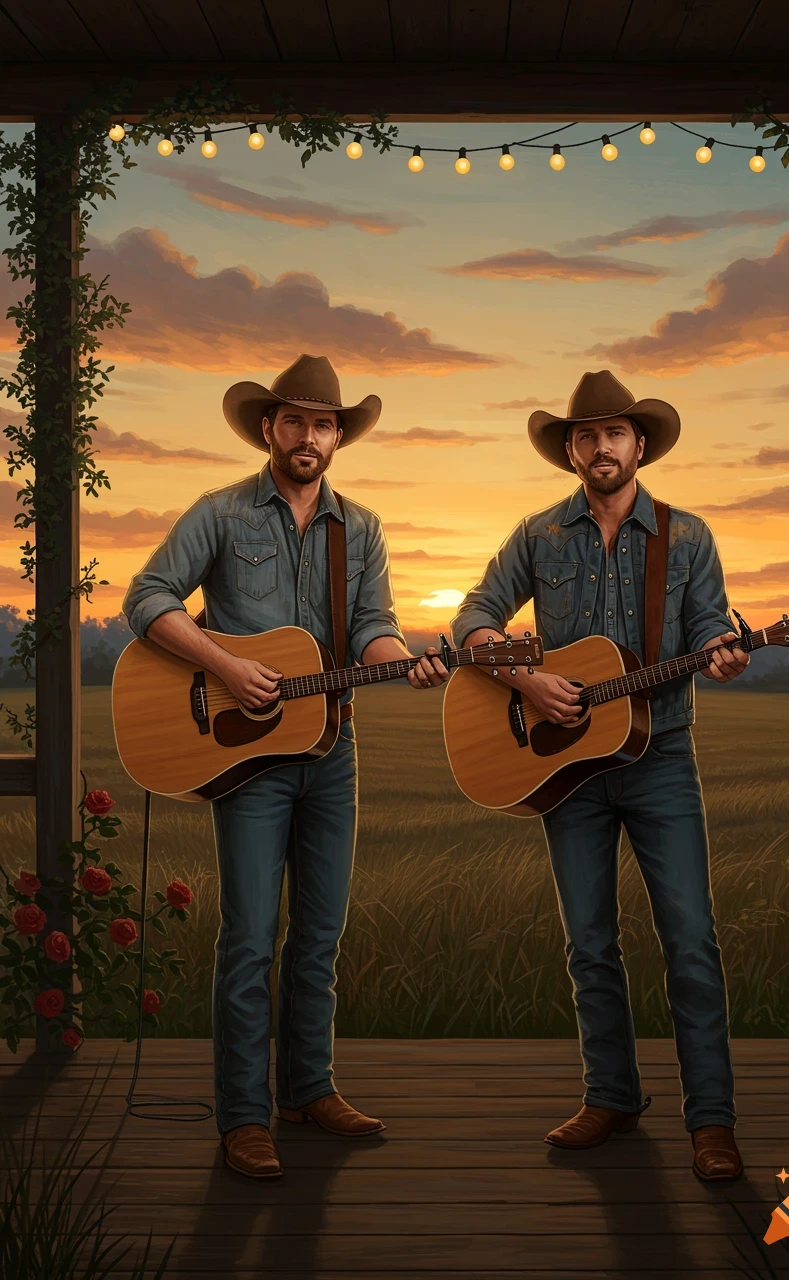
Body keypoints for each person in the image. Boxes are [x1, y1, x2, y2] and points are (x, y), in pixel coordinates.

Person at [123, 354, 449, 1180]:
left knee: (319, 936)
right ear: (269, 429)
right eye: (295, 421)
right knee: (247, 941)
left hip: (331, 752)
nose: (310, 436)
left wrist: (401, 658)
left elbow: (372, 627)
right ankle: (243, 1119)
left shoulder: (361, 529)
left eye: (325, 423)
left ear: (340, 436)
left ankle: (308, 1089)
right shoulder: (222, 514)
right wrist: (226, 668)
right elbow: (149, 596)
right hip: (248, 759)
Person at [450, 370, 748, 1182]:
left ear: (638, 444)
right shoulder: (539, 536)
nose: (600, 446)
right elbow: (472, 621)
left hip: (662, 761)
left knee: (689, 942)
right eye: (585, 435)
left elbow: (712, 626)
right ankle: (610, 1097)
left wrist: (722, 653)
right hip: (567, 771)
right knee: (590, 944)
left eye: (614, 433)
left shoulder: (686, 539)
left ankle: (711, 1122)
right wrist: (528, 682)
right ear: (571, 451)